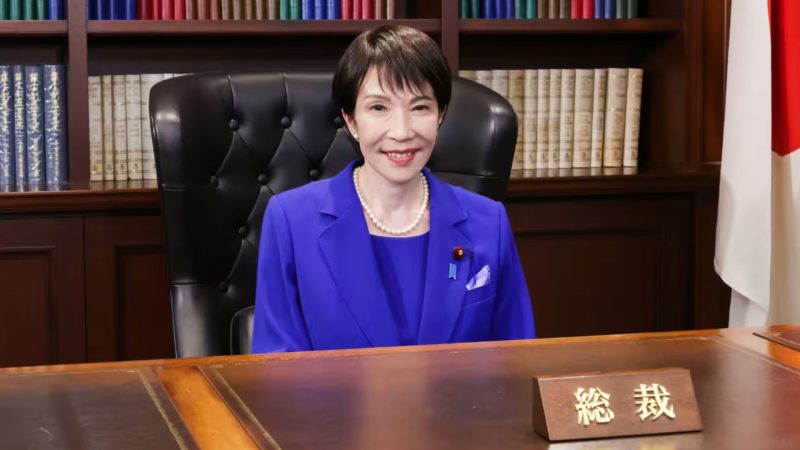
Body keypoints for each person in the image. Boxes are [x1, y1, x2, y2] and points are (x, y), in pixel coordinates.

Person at [251, 25, 534, 353]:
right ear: (351, 120)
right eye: (379, 108)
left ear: (440, 115)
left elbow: (517, 359)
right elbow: (278, 368)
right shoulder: (290, 220)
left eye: (420, 107)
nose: (401, 132)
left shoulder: (489, 221)